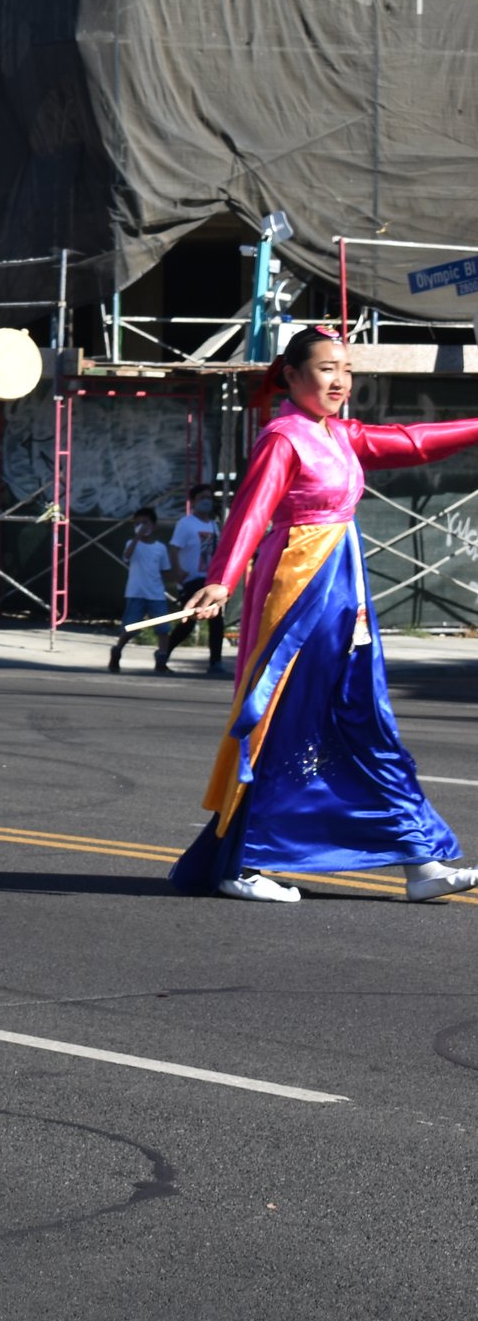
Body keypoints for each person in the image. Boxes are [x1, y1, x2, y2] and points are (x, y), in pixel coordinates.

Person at [170, 328, 478, 904]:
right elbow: (251, 511)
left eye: (347, 369)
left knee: (367, 721)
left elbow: (412, 441)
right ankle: (245, 863)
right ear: (291, 376)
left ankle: (420, 861)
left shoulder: (337, 434)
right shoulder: (285, 438)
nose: (341, 381)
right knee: (284, 723)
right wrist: (220, 579)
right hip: (298, 595)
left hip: (347, 596)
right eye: (326, 369)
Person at [155, 489, 225, 675]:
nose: (206, 501)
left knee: (217, 620)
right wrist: (178, 571)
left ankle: (215, 662)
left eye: (209, 497)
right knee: (188, 621)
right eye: (202, 497)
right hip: (191, 579)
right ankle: (164, 653)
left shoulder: (213, 525)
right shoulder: (186, 524)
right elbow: (174, 548)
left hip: (209, 580)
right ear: (193, 501)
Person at [108, 509, 178, 673]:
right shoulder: (131, 544)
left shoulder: (160, 548)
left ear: (153, 525)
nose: (141, 527)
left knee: (163, 628)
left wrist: (177, 575)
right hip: (136, 593)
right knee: (130, 627)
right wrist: (137, 537)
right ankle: (117, 651)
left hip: (156, 594)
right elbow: (126, 555)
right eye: (138, 523)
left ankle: (161, 659)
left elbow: (164, 570)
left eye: (145, 523)